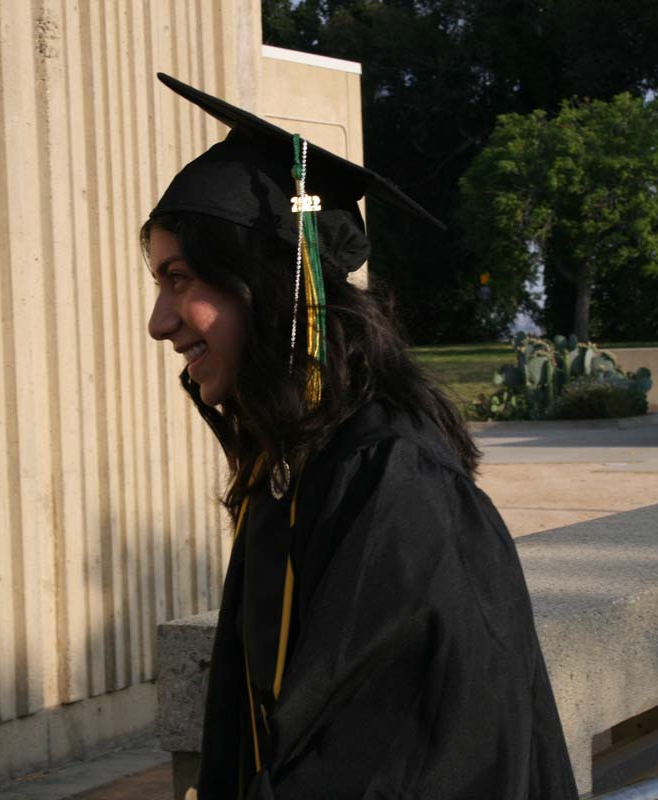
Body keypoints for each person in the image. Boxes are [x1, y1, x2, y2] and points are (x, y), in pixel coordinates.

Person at [143, 73, 579, 800]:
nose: (160, 320)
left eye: (181, 278)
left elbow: (394, 768)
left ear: (270, 283)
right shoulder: (296, 467)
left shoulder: (392, 483)